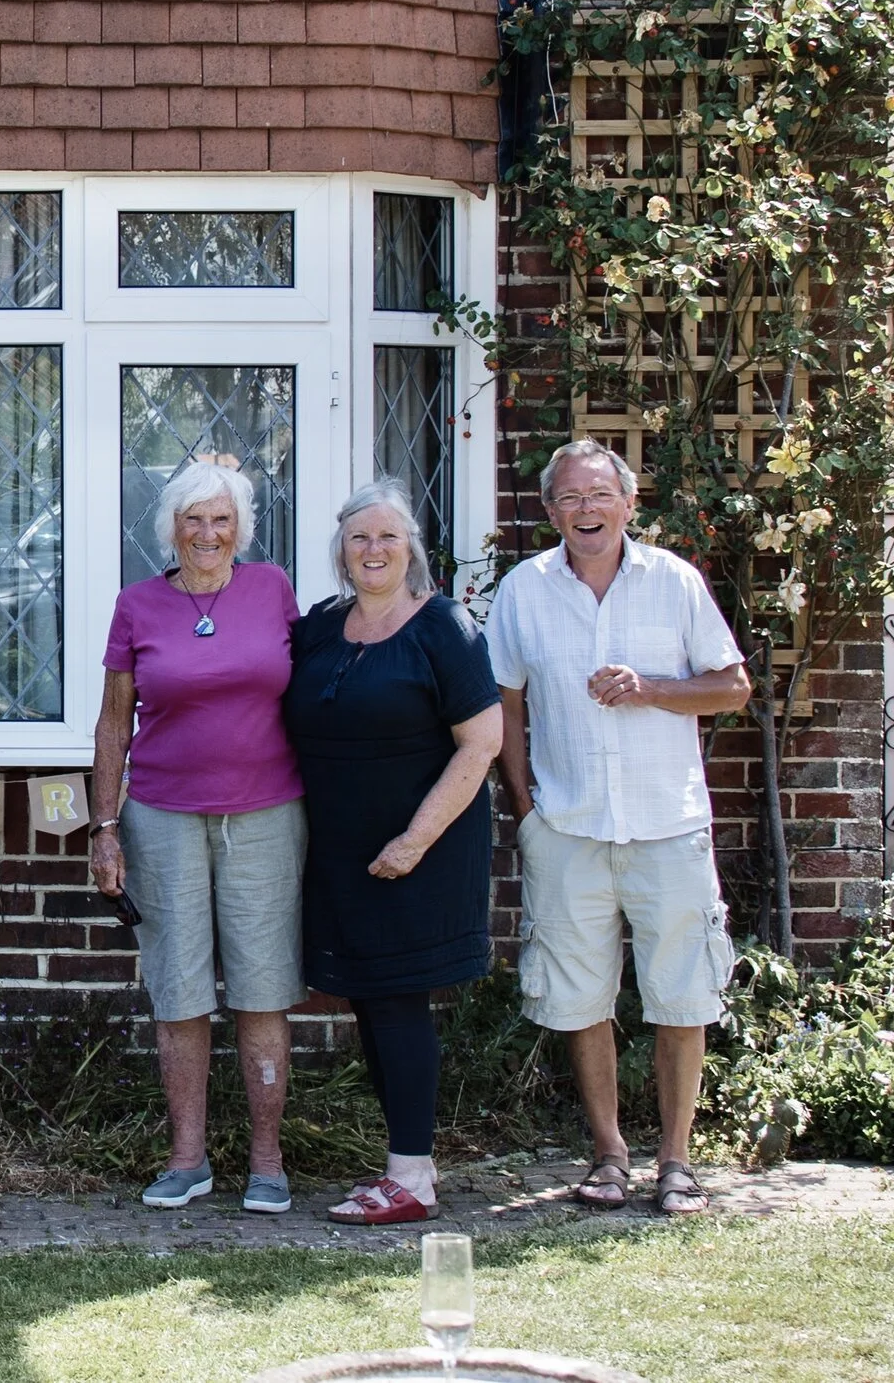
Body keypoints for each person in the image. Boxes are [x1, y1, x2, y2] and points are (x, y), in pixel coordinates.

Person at [487, 438, 750, 1217]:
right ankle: (608, 1153)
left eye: (600, 495)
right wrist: (526, 805)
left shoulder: (673, 582)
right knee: (582, 1000)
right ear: (549, 511)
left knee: (681, 997)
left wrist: (651, 688)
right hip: (567, 825)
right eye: (569, 498)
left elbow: (732, 686)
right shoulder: (523, 590)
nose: (586, 510)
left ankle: (677, 1161)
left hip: (667, 823)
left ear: (629, 504)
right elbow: (504, 704)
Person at [90, 458, 307, 1215]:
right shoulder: (137, 605)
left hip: (266, 815)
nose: (207, 533)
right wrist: (104, 825)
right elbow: (115, 720)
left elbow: (309, 692)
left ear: (239, 528)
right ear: (172, 529)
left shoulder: (272, 591)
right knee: (179, 991)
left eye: (221, 519)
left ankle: (268, 1162)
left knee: (263, 988)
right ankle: (187, 1159)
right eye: (193, 519)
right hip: (162, 816)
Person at [284, 481, 503, 1224]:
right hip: (343, 850)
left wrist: (414, 840)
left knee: (399, 1001)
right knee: (371, 1002)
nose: (373, 550)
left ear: (410, 546)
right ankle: (404, 1168)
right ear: (341, 554)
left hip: (421, 849)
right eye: (358, 539)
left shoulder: (445, 628)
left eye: (387, 537)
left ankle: (412, 1176)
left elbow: (483, 742)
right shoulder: (319, 628)